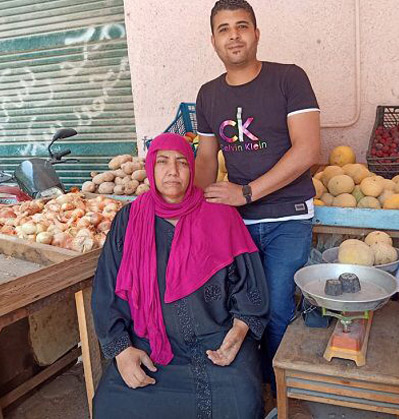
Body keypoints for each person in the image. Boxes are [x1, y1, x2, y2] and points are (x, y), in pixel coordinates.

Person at [92, 133, 269, 419]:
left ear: (192, 169)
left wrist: (238, 332)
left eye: (182, 163)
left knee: (241, 400)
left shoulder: (221, 215)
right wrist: (122, 352)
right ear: (151, 167)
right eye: (162, 162)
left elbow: (248, 284)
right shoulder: (130, 219)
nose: (172, 171)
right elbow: (107, 288)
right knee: (110, 405)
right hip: (149, 345)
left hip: (215, 342)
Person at [194, 0, 321, 392]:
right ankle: (250, 389)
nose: (234, 35)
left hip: (287, 216)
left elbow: (307, 150)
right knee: (238, 308)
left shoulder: (289, 78)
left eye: (242, 26)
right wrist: (193, 205)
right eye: (224, 28)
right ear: (213, 40)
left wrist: (246, 192)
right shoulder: (208, 94)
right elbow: (205, 157)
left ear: (256, 33)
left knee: (278, 308)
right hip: (235, 222)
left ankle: (278, 393)